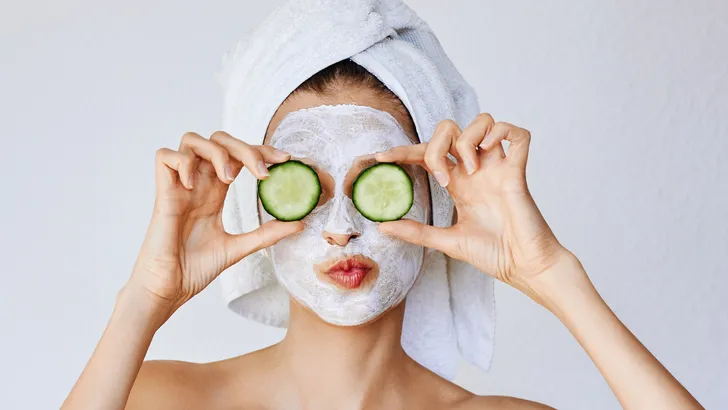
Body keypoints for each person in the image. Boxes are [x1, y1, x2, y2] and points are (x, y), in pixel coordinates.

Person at [61, 58, 703, 410]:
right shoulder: (161, 399)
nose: (341, 228)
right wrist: (145, 298)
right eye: (304, 186)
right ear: (257, 203)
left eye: (375, 186)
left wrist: (553, 276)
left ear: (436, 197)